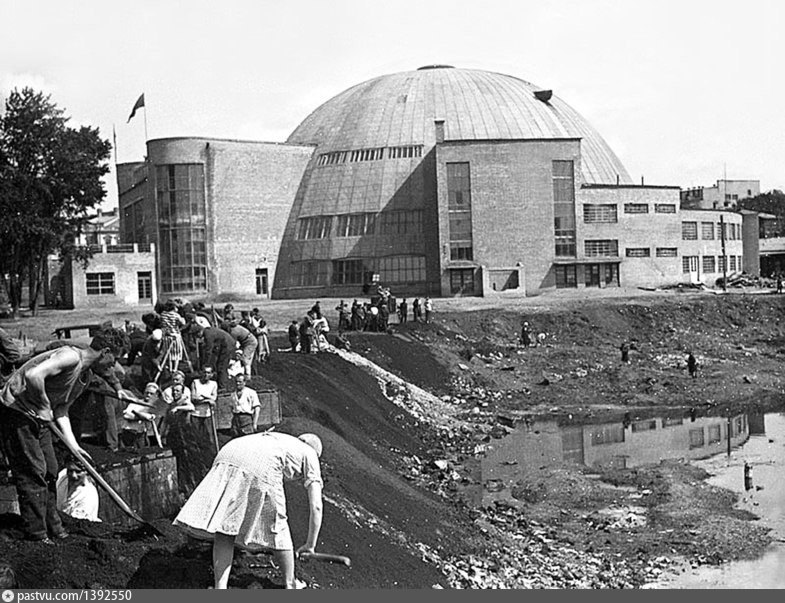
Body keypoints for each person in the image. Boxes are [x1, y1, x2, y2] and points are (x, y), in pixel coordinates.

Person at [0, 327, 131, 543]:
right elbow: (34, 375)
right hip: (17, 411)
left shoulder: (84, 376)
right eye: (114, 359)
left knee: (51, 470)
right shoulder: (70, 357)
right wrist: (43, 406)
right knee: (33, 471)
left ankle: (55, 528)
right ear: (106, 351)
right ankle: (36, 534)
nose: (113, 366)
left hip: (37, 416)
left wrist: (74, 445)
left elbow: (61, 410)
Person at [172, 431, 324, 589]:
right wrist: (310, 545)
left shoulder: (281, 439)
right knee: (278, 524)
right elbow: (316, 505)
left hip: (229, 452)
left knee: (225, 525)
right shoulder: (310, 452)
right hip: (262, 464)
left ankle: (220, 587)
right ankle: (290, 583)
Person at [55, 455, 100, 522]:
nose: (73, 475)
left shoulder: (88, 496)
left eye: (78, 472)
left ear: (86, 472)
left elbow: (75, 524)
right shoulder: (63, 477)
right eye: (70, 471)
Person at [191, 365, 218, 439]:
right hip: (196, 413)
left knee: (209, 436)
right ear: (201, 373)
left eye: (209, 373)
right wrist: (207, 400)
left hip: (208, 414)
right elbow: (194, 398)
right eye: (204, 372)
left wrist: (202, 396)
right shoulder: (195, 382)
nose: (206, 375)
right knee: (196, 436)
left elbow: (214, 398)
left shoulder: (213, 384)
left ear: (212, 374)